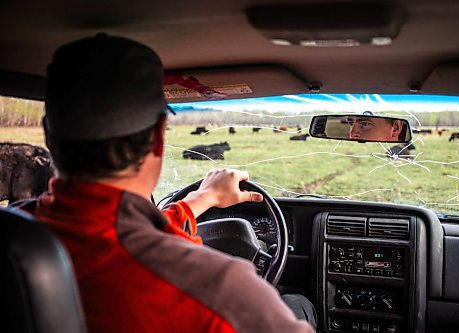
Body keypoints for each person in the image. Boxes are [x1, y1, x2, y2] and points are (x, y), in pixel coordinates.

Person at [22, 34, 316, 333]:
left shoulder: (19, 233)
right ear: (159, 138)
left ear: (47, 134)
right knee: (300, 305)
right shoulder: (221, 293)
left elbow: (108, 229)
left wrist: (204, 198)